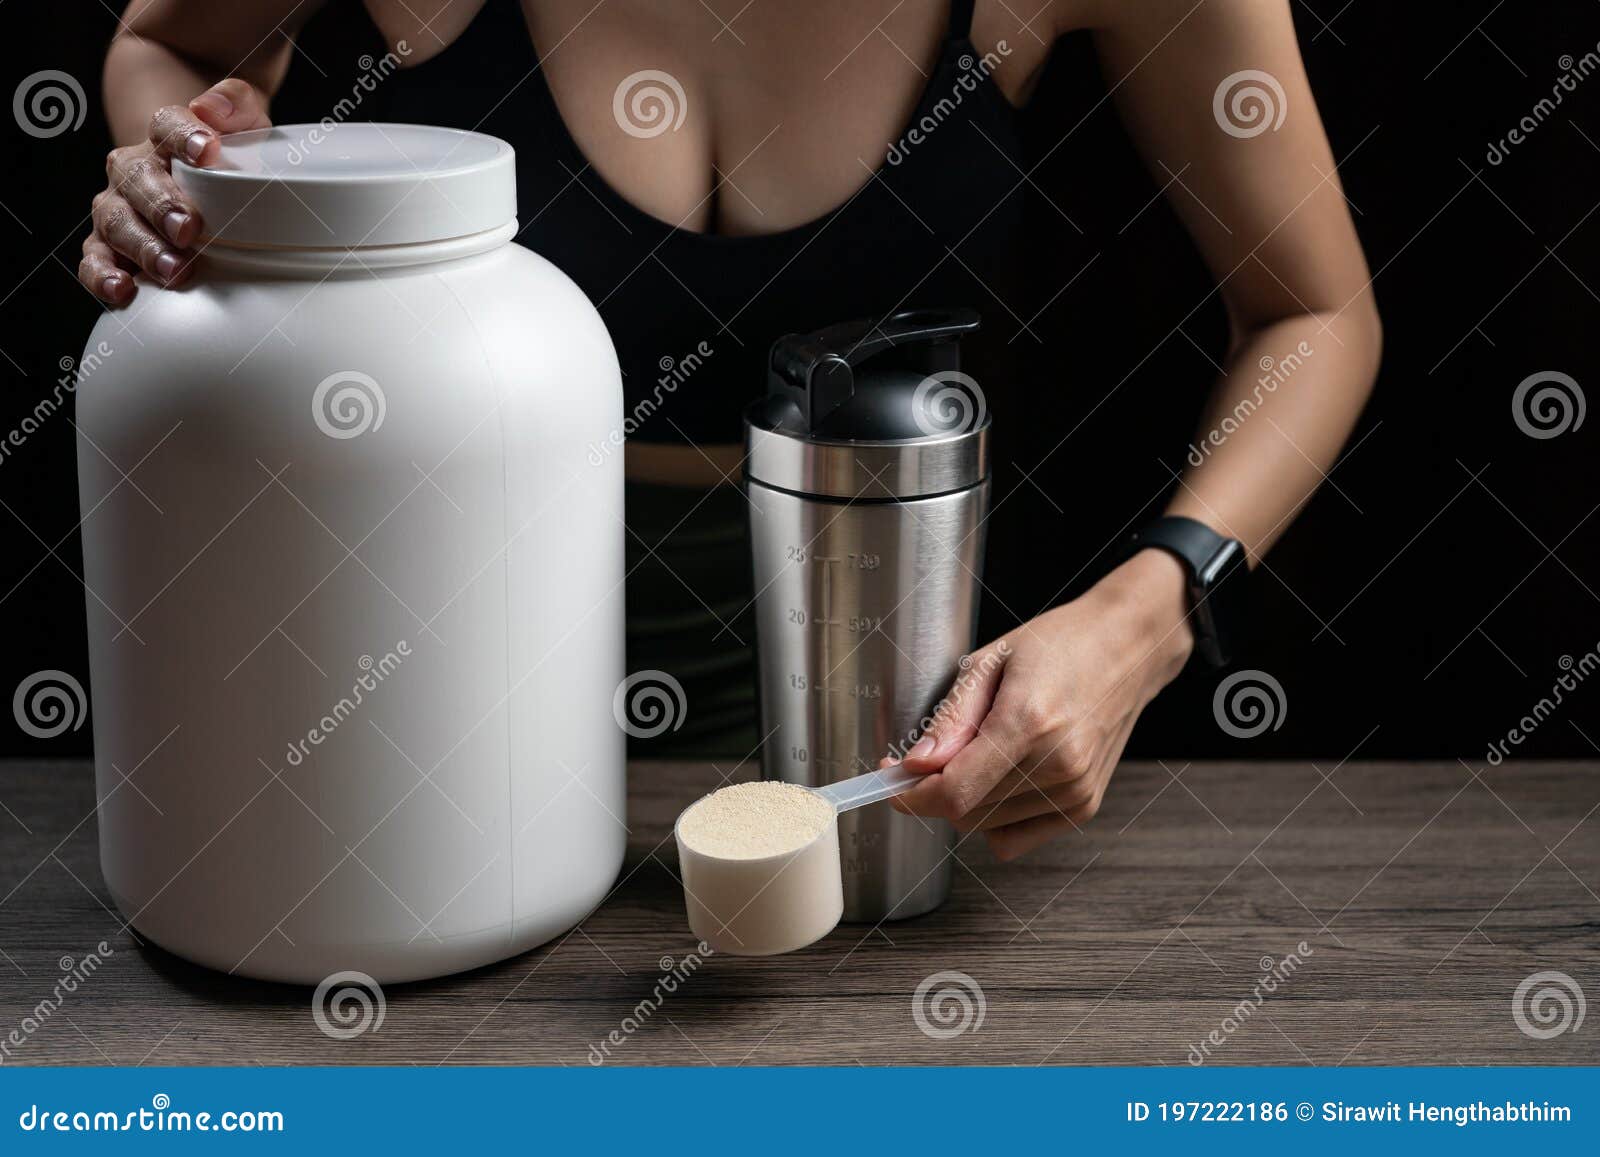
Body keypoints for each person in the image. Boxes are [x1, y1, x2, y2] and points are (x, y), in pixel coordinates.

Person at [80, 0, 1381, 861]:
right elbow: (172, 47)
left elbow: (1314, 312)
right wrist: (194, 160)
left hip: (879, 744)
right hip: (397, 680)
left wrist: (1142, 623)